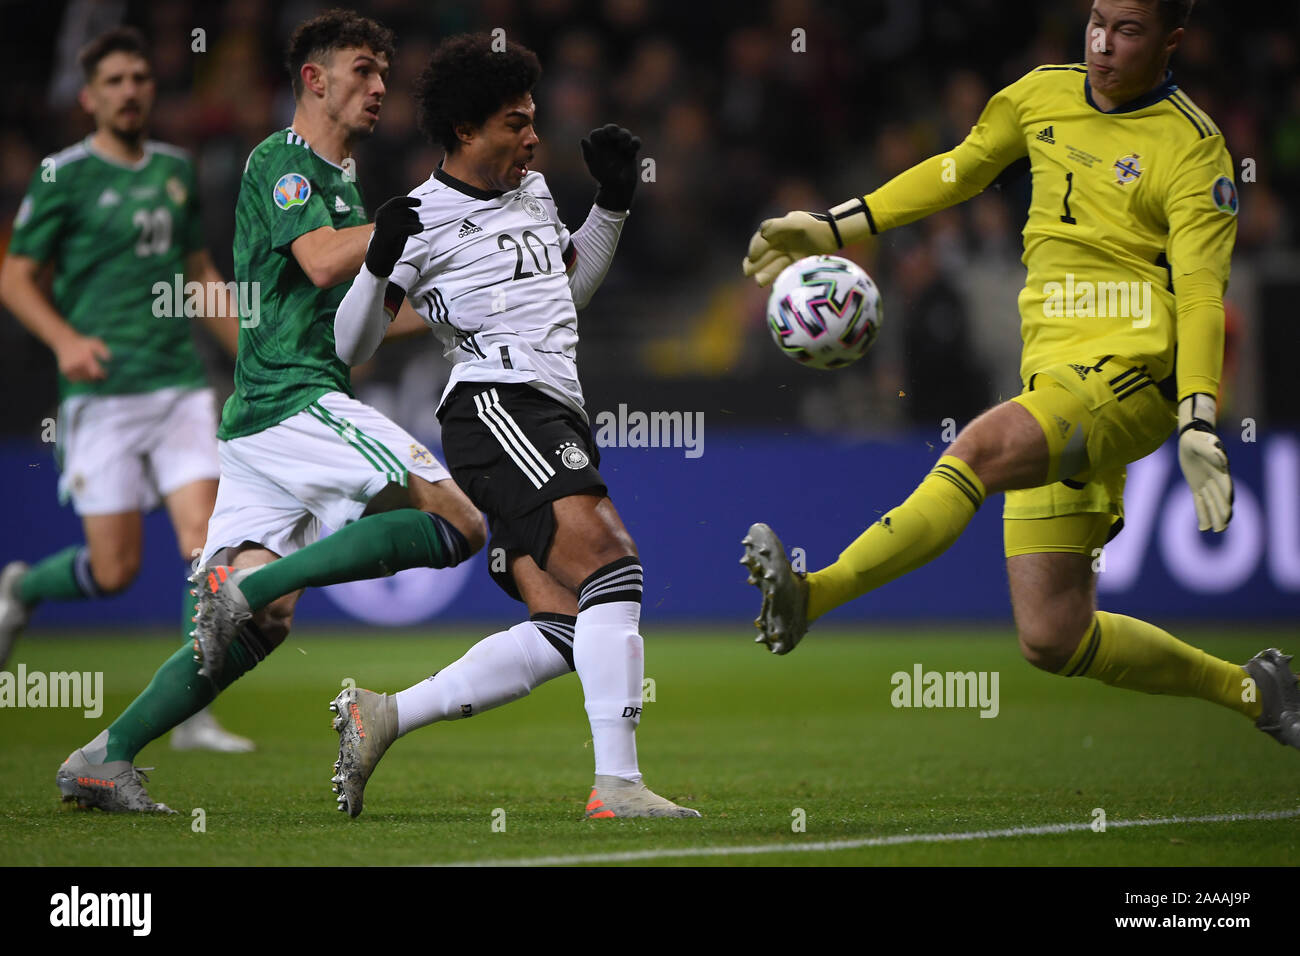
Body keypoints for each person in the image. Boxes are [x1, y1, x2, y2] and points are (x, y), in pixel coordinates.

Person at [739, 0, 1299, 750]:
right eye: (1097, 20)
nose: (1101, 43)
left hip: (1132, 376)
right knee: (1054, 635)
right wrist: (837, 227)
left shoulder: (1194, 150)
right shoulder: (1041, 94)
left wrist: (1199, 415)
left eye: (1127, 30)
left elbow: (1200, 291)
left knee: (976, 449)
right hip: (1054, 382)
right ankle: (1253, 690)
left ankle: (814, 595)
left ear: (1171, 42)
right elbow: (958, 171)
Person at [54, 10, 485, 813]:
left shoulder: (342, 184)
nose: (380, 86)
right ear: (314, 80)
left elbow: (356, 330)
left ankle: (102, 756)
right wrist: (413, 212)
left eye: (385, 74)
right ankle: (241, 591)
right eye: (364, 70)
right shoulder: (284, 164)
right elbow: (323, 262)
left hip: (265, 420)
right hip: (293, 400)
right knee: (460, 521)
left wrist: (456, 313)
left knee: (266, 621)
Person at [321, 33, 699, 819]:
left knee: (565, 624)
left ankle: (383, 715)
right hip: (498, 404)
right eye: (514, 123)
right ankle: (617, 787)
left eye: (532, 120)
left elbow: (569, 293)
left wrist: (614, 201)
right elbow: (349, 346)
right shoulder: (421, 218)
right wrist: (375, 263)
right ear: (465, 131)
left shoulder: (531, 192)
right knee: (614, 568)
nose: (533, 137)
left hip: (548, 405)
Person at [0, 26, 250, 753]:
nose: (131, 89)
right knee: (113, 571)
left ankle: (191, 713)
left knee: (206, 548)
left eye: (140, 77)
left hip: (178, 387)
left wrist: (249, 357)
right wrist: (66, 340)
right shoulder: (62, 174)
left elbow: (200, 275)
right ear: (88, 96)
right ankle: (21, 587)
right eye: (114, 80)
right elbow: (14, 276)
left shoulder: (176, 167)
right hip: (102, 396)